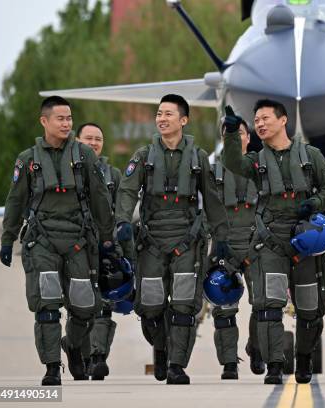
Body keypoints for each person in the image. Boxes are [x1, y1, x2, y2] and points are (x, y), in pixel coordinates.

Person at [0, 96, 115, 385]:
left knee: (85, 308)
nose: (66, 124)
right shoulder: (27, 160)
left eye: (69, 119)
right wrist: (7, 238)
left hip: (79, 240)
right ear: (44, 121)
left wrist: (108, 239)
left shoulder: (84, 156)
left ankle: (74, 345)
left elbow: (101, 198)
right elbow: (15, 201)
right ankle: (52, 367)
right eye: (60, 118)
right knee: (47, 307)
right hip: (42, 241)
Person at [222, 100, 325, 384]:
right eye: (256, 120)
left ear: (283, 120)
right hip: (271, 239)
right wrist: (231, 133)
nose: (260, 124)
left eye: (265, 118)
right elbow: (233, 162)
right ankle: (274, 364)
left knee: (310, 308)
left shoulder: (311, 156)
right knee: (268, 306)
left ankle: (304, 359)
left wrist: (315, 202)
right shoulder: (256, 161)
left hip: (306, 240)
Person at [115, 94, 229, 385]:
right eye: (158, 114)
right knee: (150, 306)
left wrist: (221, 239)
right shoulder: (143, 156)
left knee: (184, 305)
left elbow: (213, 200)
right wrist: (123, 222)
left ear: (183, 120)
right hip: (152, 240)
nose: (162, 119)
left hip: (187, 239)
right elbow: (127, 191)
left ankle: (178, 366)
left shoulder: (199, 157)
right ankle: (162, 348)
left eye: (168, 114)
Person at [208, 119, 264, 380]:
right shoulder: (211, 170)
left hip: (257, 244)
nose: (235, 137)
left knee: (264, 304)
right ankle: (229, 362)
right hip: (225, 245)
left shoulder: (262, 166)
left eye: (239, 133)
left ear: (248, 137)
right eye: (229, 134)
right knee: (224, 307)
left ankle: (258, 348)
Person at [75, 122, 127, 380]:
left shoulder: (113, 175)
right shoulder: (67, 170)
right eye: (89, 138)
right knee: (81, 306)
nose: (94, 143)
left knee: (104, 304)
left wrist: (122, 252)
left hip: (104, 247)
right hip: (75, 246)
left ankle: (97, 359)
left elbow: (121, 213)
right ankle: (80, 356)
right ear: (77, 140)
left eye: (98, 139)